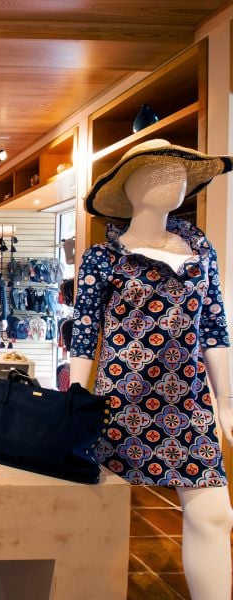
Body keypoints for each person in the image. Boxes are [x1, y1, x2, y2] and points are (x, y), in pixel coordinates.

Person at [71, 139, 233, 600]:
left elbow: (216, 328)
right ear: (130, 187)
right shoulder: (104, 258)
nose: (174, 177)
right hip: (119, 402)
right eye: (157, 170)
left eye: (181, 170)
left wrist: (226, 399)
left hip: (189, 401)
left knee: (215, 514)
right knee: (98, 511)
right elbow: (84, 333)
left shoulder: (200, 251)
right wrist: (74, 402)